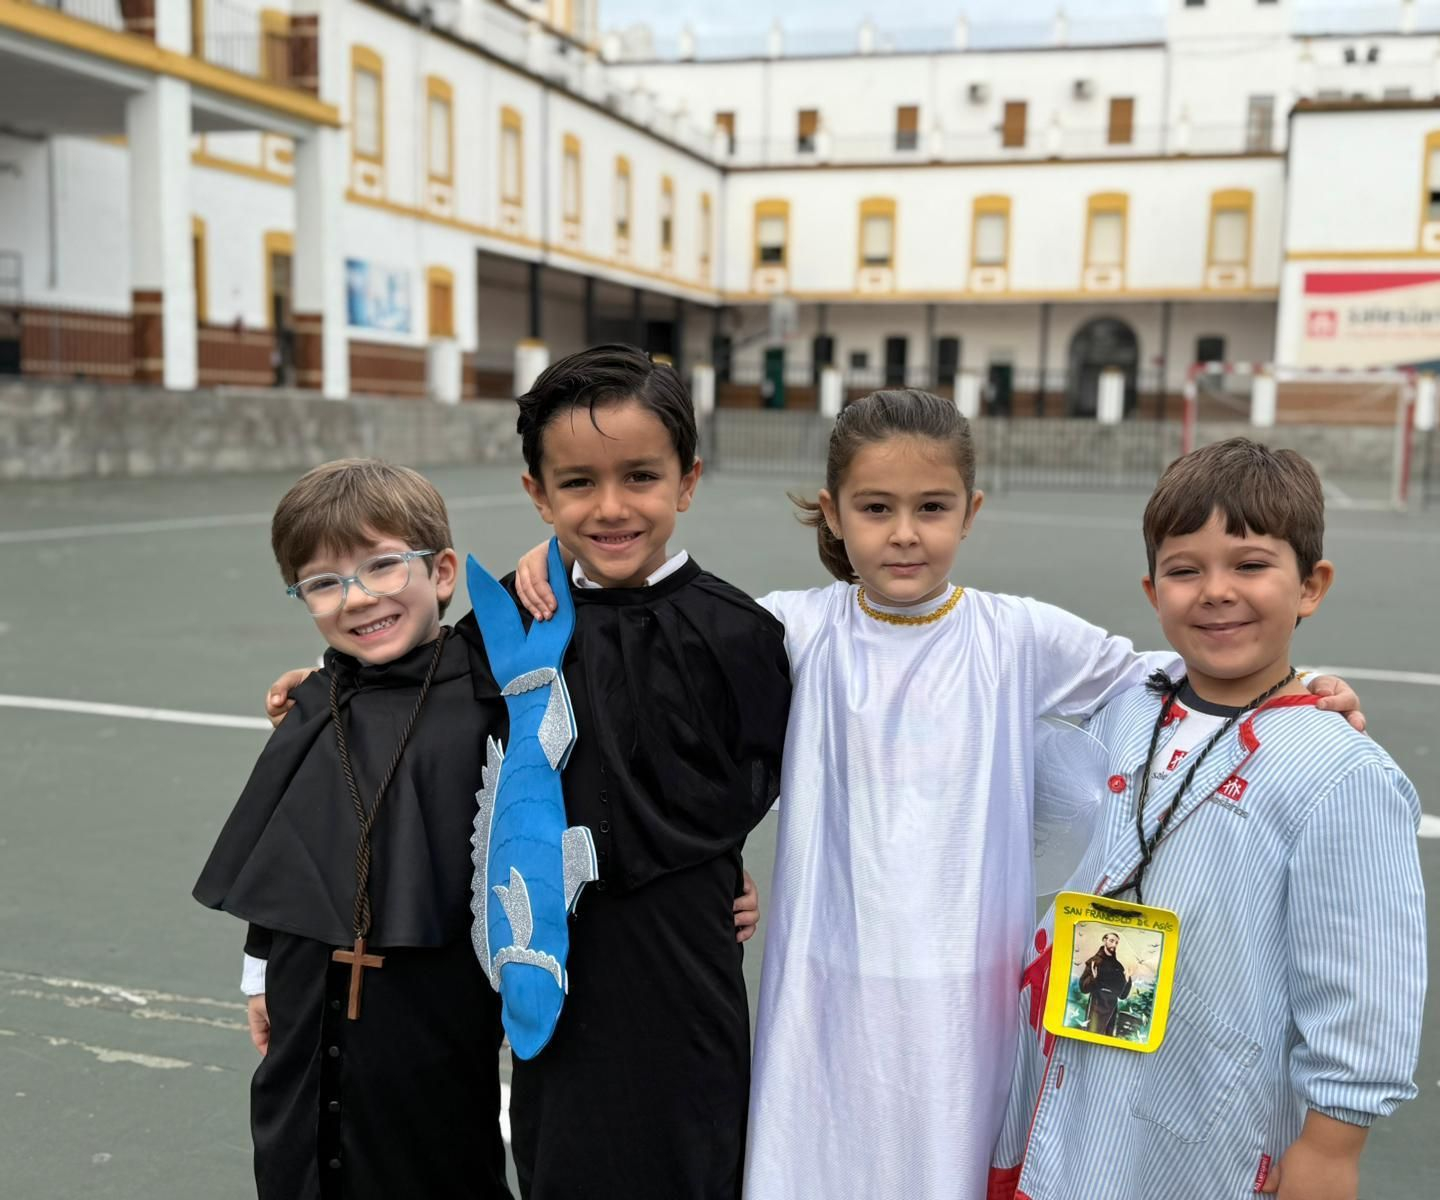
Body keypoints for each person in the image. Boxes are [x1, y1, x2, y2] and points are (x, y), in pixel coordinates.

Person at [513, 390, 1367, 1200]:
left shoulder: (1019, 634)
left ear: (971, 510)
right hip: (822, 980)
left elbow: (1171, 677)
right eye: (876, 509)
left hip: (967, 990)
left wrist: (1301, 685)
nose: (904, 535)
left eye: (932, 507)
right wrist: (553, 565)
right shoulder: (790, 628)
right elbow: (657, 667)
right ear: (835, 512)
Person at [265, 346, 789, 1200]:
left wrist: (710, 870)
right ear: (537, 494)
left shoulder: (739, 632)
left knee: (693, 1148)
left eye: (641, 478)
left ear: (687, 482)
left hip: (682, 957)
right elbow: (420, 680)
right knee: (561, 1154)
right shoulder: (515, 613)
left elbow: (754, 780)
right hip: (553, 954)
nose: (611, 507)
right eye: (578, 484)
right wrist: (325, 688)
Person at [988, 439, 1427, 1200]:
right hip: (1066, 1084)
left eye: (1251, 565)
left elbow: (1366, 982)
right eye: (1186, 570)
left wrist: (1332, 1146)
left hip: (1205, 1126)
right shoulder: (1124, 700)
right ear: (1153, 589)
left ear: (1311, 585)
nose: (1216, 592)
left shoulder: (1341, 770)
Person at [193, 458, 514, 1200]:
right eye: (324, 582)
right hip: (308, 988)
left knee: (430, 1156)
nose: (358, 597)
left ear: (442, 572)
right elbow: (289, 841)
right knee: (301, 1151)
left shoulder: (491, 687)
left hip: (434, 999)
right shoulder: (319, 697)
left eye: (381, 566)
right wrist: (258, 973)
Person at [1077, 932, 1130, 1035]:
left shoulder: (1118, 967)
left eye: (1116, 943)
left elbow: (1122, 995)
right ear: (1104, 940)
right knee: (1092, 1035)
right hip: (1097, 1005)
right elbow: (1083, 988)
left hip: (1112, 1008)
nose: (1114, 945)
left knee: (1108, 1037)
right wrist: (1093, 978)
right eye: (1111, 941)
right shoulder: (1094, 962)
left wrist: (1127, 981)